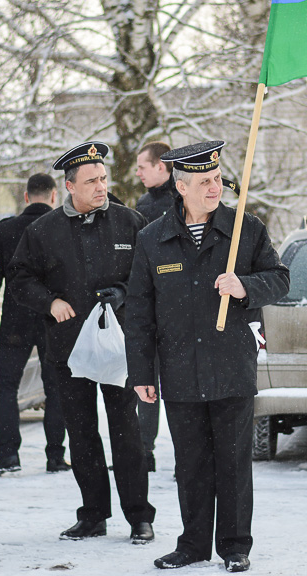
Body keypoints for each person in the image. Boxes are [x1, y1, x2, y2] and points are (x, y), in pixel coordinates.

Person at [125, 141, 290, 573]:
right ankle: (193, 545)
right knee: (191, 464)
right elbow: (139, 311)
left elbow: (280, 279)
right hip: (179, 368)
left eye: (217, 179)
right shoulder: (153, 238)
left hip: (231, 365)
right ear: (181, 186)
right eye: (204, 182)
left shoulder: (245, 229)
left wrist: (246, 286)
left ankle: (234, 546)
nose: (214, 187)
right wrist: (141, 372)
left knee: (233, 462)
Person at [10, 141, 155, 544]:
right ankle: (93, 515)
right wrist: (49, 301)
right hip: (68, 348)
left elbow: (148, 275)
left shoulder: (130, 222)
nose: (101, 186)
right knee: (82, 433)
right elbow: (19, 278)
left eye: (103, 178)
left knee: (126, 433)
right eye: (91, 181)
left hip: (119, 349)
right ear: (70, 186)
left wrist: (122, 292)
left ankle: (139, 517)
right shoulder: (43, 231)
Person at [0, 172, 70, 476]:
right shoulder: (62, 226)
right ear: (54, 196)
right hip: (53, 318)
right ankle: (55, 456)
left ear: (26, 196)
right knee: (55, 387)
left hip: (16, 320)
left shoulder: (7, 229)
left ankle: (8, 455)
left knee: (6, 387)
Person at [133, 140, 174, 473]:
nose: (137, 173)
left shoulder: (184, 198)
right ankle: (143, 451)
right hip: (151, 307)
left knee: (181, 388)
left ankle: (187, 457)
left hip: (180, 307)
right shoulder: (143, 204)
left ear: (161, 166)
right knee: (146, 384)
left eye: (142, 167)